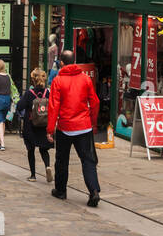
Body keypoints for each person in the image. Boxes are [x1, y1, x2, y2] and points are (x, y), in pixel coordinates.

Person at [47, 49, 101, 207]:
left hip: (65, 127)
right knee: (88, 160)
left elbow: (53, 107)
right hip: (84, 126)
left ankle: (61, 190)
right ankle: (94, 191)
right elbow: (95, 102)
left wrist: (50, 130)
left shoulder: (58, 81)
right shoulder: (85, 79)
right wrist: (93, 122)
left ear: (62, 63)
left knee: (62, 160)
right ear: (74, 61)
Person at [16, 68, 52, 182]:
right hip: (44, 125)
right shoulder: (48, 92)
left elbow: (20, 106)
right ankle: (47, 166)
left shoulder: (29, 93)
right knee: (43, 149)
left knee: (31, 150)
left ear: (33, 80)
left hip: (31, 125)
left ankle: (33, 175)